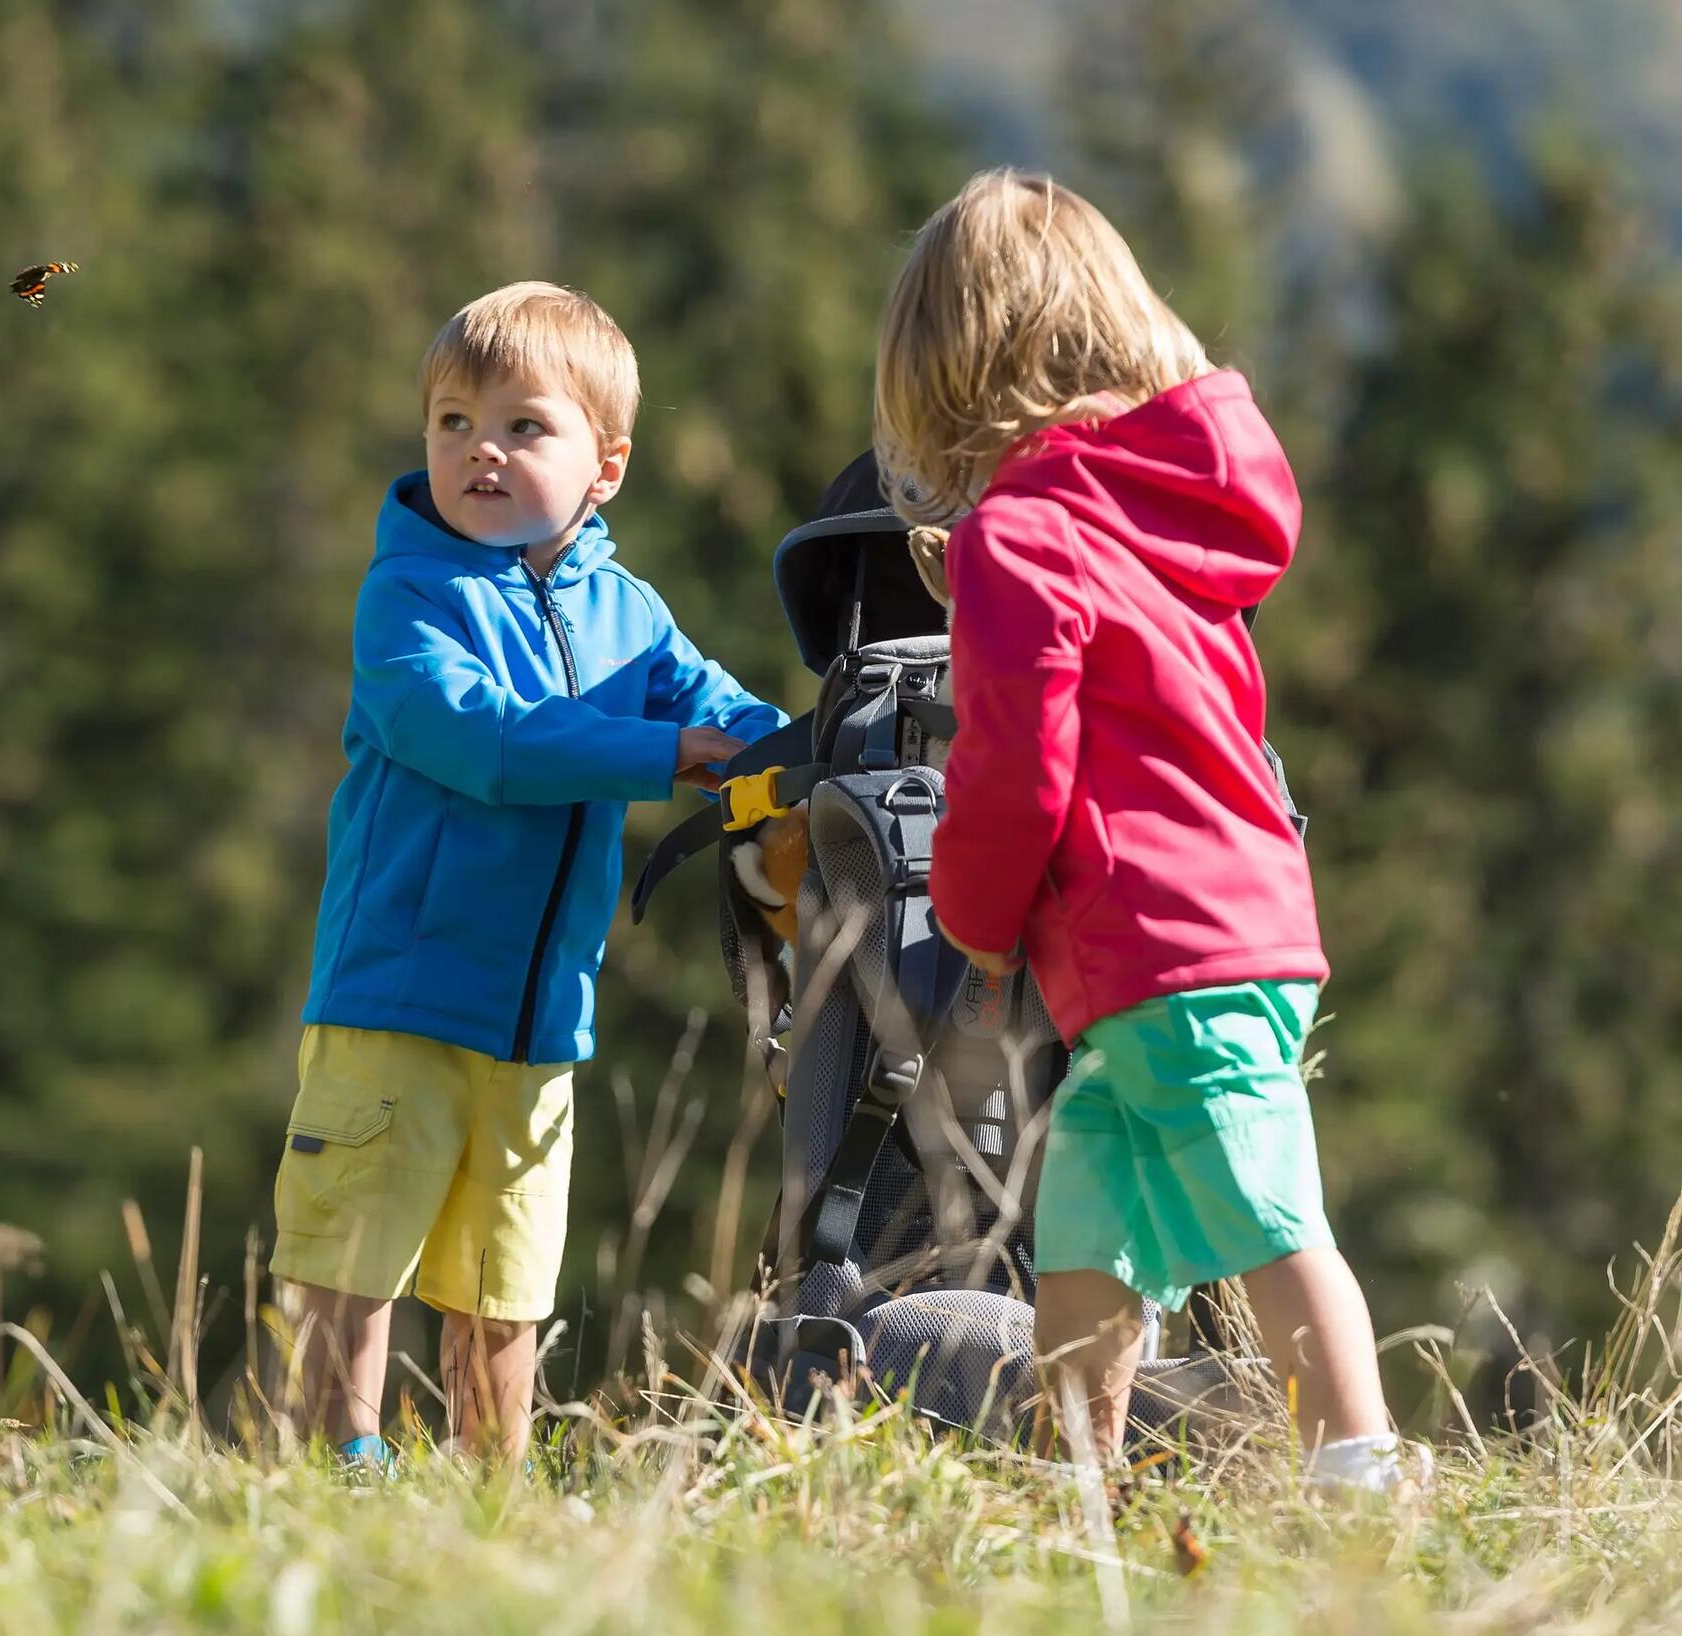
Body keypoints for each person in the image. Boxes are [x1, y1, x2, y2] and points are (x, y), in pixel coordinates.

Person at [872, 172, 1406, 1492]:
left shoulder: (1023, 534)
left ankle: (1362, 1475)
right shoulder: (1167, 516)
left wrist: (973, 920)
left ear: (947, 375)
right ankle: (1081, 1477)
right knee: (1087, 1234)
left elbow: (1014, 771)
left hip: (1161, 949)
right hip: (1235, 930)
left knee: (1266, 1218)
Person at [271, 281, 785, 1465]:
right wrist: (664, 753)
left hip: (541, 1022)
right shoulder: (406, 596)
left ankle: (491, 1489)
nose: (480, 451)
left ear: (606, 466)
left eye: (522, 426)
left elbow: (725, 714)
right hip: (396, 996)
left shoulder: (629, 613)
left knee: (505, 1283)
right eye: (453, 422)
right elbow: (481, 738)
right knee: (351, 1261)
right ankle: (331, 1468)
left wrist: (808, 751)